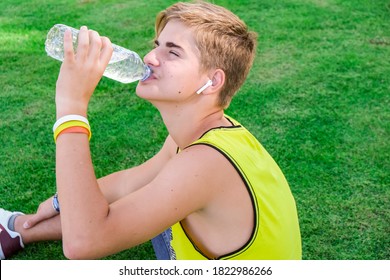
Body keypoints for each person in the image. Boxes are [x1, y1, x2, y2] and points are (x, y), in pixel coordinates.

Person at [0, 0, 301, 260]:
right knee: (144, 194)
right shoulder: (204, 136)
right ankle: (17, 229)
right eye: (157, 45)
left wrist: (71, 107)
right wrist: (56, 203)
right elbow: (129, 184)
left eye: (173, 52)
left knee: (104, 223)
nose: (149, 58)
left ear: (213, 81)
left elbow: (84, 242)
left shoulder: (204, 164)